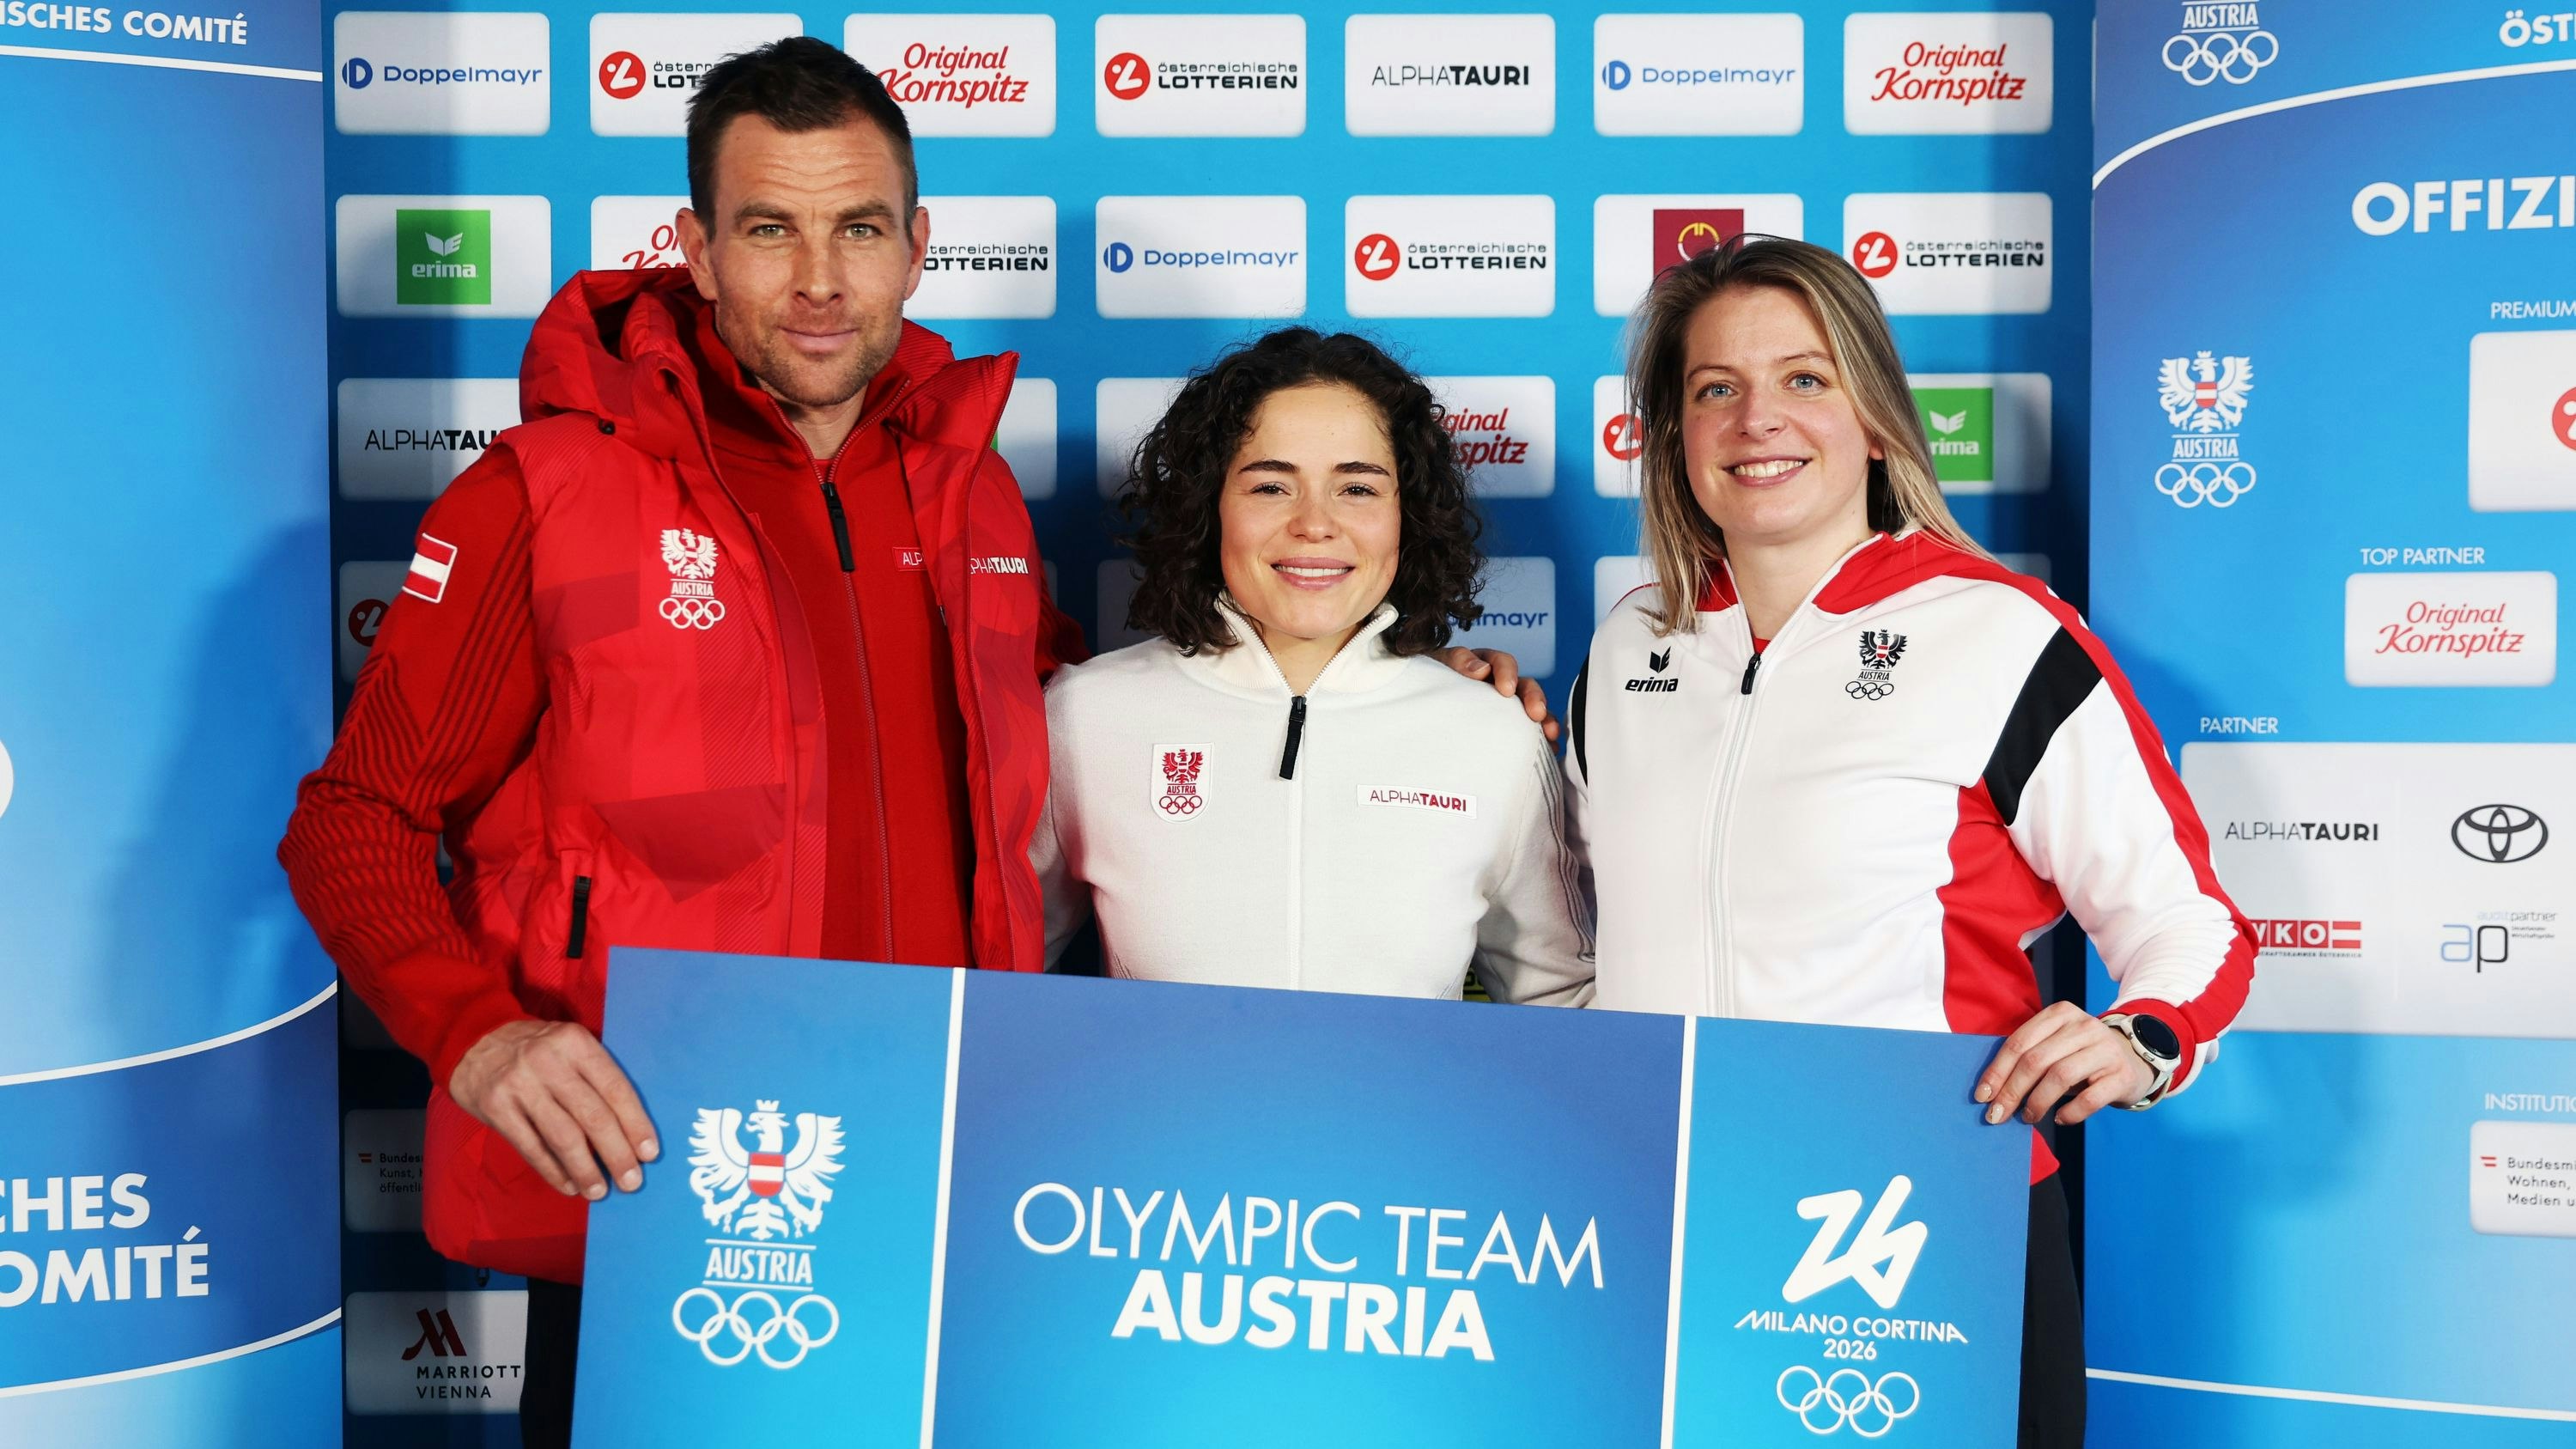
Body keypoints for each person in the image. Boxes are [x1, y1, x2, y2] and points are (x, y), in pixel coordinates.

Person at [280, 42, 1548, 1445]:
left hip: (945, 1213)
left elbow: (1094, 711)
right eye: (770, 228)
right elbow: (354, 818)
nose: (820, 278)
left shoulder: (969, 496)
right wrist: (483, 1035)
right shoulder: (548, 491)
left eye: (859, 228)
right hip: (659, 1202)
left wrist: (1410, 684)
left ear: (916, 246)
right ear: (697, 248)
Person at [1564, 235, 2258, 1448]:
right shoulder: (1627, 649)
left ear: (1877, 419)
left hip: (1922, 1216)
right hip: (1676, 1209)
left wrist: (2144, 1035)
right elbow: (1573, 934)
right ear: (1672, 435)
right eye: (1713, 388)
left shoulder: (1997, 634)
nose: (1755, 418)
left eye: (1806, 378)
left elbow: (2189, 920)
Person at [1034, 328, 1592, 1005]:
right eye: (1271, 486)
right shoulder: (1083, 715)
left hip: (1406, 1115)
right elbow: (996, 980)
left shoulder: (1495, 734)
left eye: (1357, 488)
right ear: (1210, 508)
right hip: (1165, 1113)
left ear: (1405, 516)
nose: (1315, 524)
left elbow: (1562, 999)